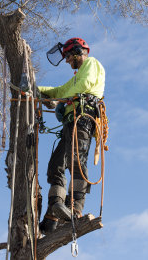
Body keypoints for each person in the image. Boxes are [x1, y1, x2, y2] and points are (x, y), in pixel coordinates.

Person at [37, 37, 105, 234]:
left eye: (68, 57)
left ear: (77, 52)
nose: (67, 61)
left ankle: (75, 209)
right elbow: (61, 90)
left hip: (82, 119)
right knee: (56, 166)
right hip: (70, 123)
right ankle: (53, 214)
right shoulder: (76, 76)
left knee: (76, 162)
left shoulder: (92, 64)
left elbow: (83, 86)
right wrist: (37, 90)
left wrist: (60, 101)